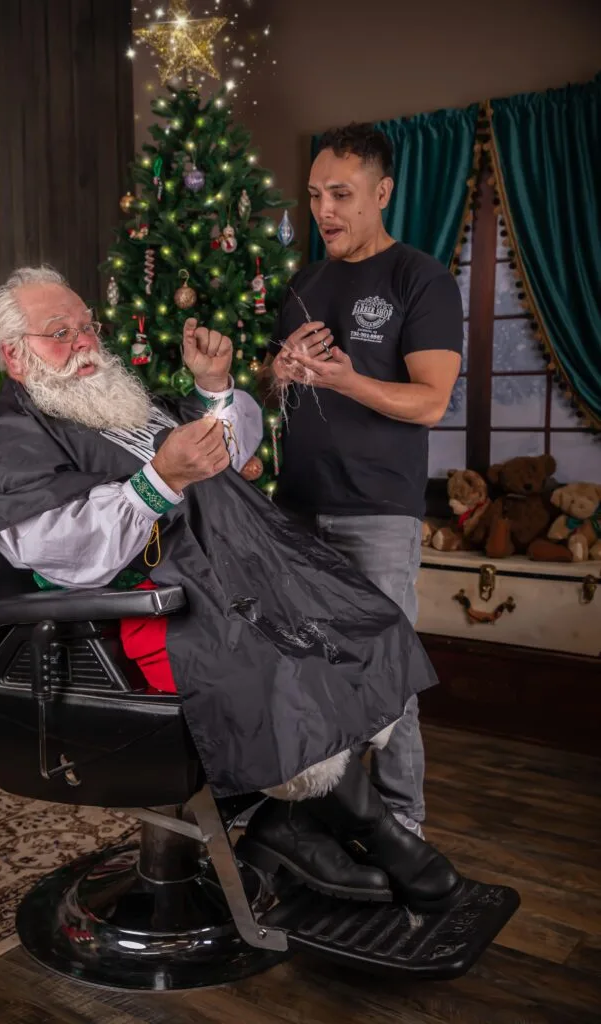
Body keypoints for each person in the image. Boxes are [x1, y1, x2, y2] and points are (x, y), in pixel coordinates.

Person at [0, 265, 462, 912]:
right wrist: (157, 480)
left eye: (86, 326)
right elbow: (65, 549)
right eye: (60, 332)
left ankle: (287, 827)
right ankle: (375, 832)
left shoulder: (117, 405)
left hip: (223, 578)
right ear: (16, 356)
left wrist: (213, 387)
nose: (84, 342)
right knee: (282, 658)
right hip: (134, 613)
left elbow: (220, 454)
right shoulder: (10, 444)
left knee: (360, 618)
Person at [258, 123, 463, 839]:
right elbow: (272, 389)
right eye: (316, 194)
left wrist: (346, 380)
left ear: (382, 193)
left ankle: (403, 823)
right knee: (305, 668)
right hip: (296, 508)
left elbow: (430, 402)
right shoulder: (304, 284)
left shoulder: (421, 279)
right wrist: (279, 371)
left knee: (386, 671)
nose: (324, 210)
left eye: (341, 194)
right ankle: (323, 816)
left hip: (378, 511)